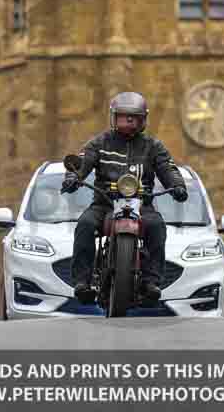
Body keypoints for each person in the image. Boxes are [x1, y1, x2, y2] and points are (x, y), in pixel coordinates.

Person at [61, 91, 188, 303]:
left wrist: (178, 185)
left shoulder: (153, 146)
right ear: (114, 118)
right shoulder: (99, 143)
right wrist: (73, 177)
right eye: (123, 117)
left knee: (157, 226)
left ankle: (151, 282)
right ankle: (82, 281)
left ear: (143, 120)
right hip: (104, 204)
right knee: (84, 224)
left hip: (141, 205)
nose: (128, 121)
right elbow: (82, 162)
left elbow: (168, 168)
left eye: (134, 117)